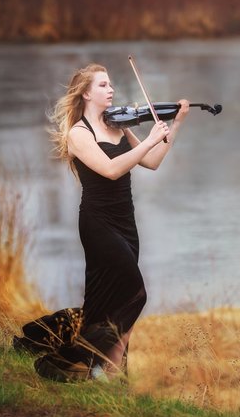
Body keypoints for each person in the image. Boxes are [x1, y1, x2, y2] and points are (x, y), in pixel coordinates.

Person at [15, 63, 189, 382]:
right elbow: (110, 169)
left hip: (126, 223)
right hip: (99, 225)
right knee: (136, 294)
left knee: (112, 300)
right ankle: (78, 357)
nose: (111, 90)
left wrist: (174, 125)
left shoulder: (119, 125)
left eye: (111, 85)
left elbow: (152, 162)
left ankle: (111, 375)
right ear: (86, 93)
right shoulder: (79, 134)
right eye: (103, 85)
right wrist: (151, 139)